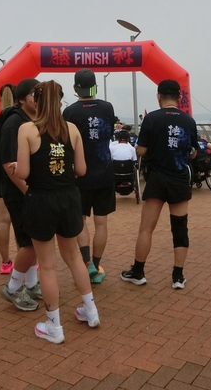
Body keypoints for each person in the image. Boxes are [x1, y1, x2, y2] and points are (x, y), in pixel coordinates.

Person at [15, 80, 97, 343]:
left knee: (48, 266)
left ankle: (54, 326)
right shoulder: (71, 129)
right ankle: (91, 311)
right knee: (74, 257)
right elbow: (81, 170)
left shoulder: (27, 130)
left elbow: (23, 173)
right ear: (60, 102)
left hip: (41, 200)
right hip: (69, 198)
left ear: (35, 101)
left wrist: (17, 166)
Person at [121, 80, 198, 289]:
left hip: (156, 179)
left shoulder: (151, 119)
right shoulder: (188, 121)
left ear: (159, 97)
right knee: (180, 228)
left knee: (146, 228)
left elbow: (141, 150)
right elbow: (193, 152)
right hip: (179, 179)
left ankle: (138, 272)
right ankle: (178, 276)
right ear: (179, 98)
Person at [63, 68, 115, 283]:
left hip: (79, 174)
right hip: (105, 172)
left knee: (81, 219)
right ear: (95, 86)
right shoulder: (107, 107)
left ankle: (87, 263)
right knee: (101, 222)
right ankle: (97, 263)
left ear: (75, 88)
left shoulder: (70, 112)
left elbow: (66, 143)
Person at [0, 78, 41, 311]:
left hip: (28, 190)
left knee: (34, 239)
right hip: (18, 191)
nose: (38, 99)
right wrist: (29, 192)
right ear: (22, 99)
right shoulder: (14, 123)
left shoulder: (30, 119)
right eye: (35, 95)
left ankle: (32, 284)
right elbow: (8, 164)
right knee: (29, 242)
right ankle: (13, 287)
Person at [0, 83, 17, 274]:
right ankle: (27, 258)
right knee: (21, 219)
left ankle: (5, 262)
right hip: (17, 172)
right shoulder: (21, 120)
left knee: (3, 220)